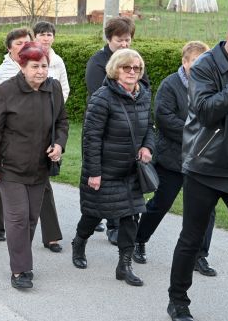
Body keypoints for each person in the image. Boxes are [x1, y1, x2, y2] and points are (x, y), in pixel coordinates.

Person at [167, 15, 228, 321]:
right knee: (192, 239)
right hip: (206, 167)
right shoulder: (204, 66)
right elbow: (206, 111)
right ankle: (178, 301)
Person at [0, 42, 68, 289]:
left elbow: (62, 122)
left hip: (40, 167)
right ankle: (20, 270)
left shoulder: (53, 88)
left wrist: (59, 145)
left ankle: (21, 257)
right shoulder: (5, 91)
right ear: (22, 67)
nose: (41, 71)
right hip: (10, 167)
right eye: (35, 66)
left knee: (31, 218)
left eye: (44, 66)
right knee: (18, 218)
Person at [133, 42, 217, 274]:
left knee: (207, 210)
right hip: (172, 158)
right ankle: (138, 240)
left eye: (204, 61)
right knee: (161, 203)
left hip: (202, 160)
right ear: (185, 62)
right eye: (195, 61)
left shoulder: (212, 85)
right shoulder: (170, 85)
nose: (200, 66)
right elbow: (164, 118)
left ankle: (200, 255)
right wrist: (197, 133)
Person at [71, 48, 153, 287]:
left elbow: (150, 127)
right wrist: (94, 172)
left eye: (136, 68)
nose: (132, 72)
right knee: (93, 213)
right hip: (105, 170)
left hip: (131, 171)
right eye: (126, 67)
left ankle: (124, 266)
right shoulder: (102, 97)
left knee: (131, 216)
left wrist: (147, 147)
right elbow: (91, 138)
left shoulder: (143, 95)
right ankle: (79, 242)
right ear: (115, 70)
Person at [84, 16, 149, 241]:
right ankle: (105, 225)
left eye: (127, 39)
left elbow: (144, 89)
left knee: (126, 188)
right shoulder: (97, 62)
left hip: (131, 131)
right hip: (107, 129)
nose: (124, 44)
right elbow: (98, 94)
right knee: (105, 188)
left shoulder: (134, 61)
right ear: (109, 38)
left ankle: (121, 233)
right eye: (119, 39)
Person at [0, 27, 32, 241]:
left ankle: (39, 229)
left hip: (33, 136)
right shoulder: (0, 74)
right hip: (8, 135)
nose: (23, 47)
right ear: (9, 47)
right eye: (18, 43)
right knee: (0, 182)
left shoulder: (38, 68)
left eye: (26, 43)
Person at [32, 21, 70, 252]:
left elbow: (63, 89)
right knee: (5, 190)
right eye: (42, 34)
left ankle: (51, 236)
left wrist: (54, 108)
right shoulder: (21, 65)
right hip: (16, 146)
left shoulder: (57, 67)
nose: (41, 70)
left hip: (45, 136)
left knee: (43, 187)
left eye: (49, 34)